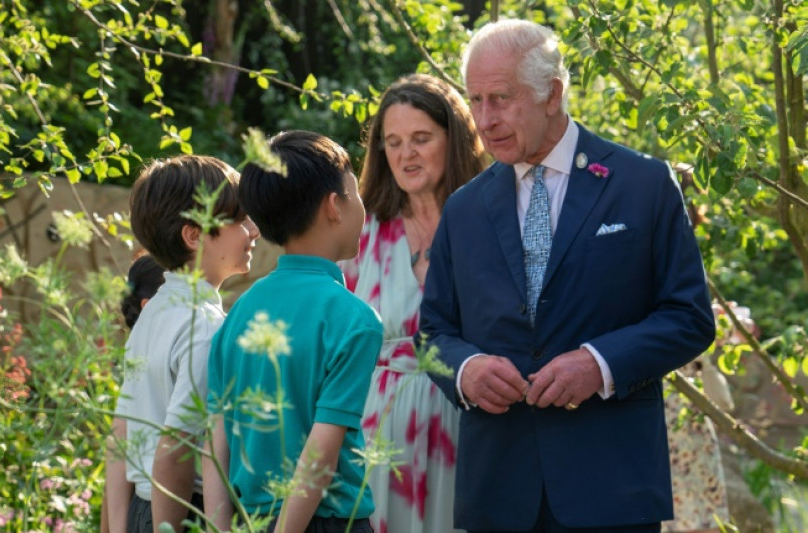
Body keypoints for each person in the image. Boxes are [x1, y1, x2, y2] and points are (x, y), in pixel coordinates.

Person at [418, 19, 716, 533]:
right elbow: (432, 333)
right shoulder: (463, 208)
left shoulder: (643, 184)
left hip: (612, 488)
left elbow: (689, 318)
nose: (485, 120)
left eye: (501, 99)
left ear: (552, 94)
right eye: (476, 100)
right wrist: (465, 371)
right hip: (497, 492)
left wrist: (600, 364)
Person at [204, 130, 382, 533]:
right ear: (333, 206)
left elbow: (215, 444)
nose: (362, 206)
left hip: (248, 520)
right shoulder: (354, 320)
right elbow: (320, 455)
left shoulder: (238, 313)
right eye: (355, 193)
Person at [339, 73, 484, 533]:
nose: (406, 155)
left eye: (422, 139)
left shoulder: (488, 223)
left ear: (454, 140)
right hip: (379, 436)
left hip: (469, 427)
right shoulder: (361, 233)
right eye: (394, 142)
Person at [109, 155, 260, 533]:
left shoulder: (153, 314)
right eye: (241, 220)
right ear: (193, 236)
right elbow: (176, 448)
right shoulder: (204, 326)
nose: (254, 230)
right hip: (181, 513)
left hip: (143, 509)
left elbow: (121, 433)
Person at [104, 253, 167, 533]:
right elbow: (119, 439)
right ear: (149, 306)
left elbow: (118, 441)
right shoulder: (149, 360)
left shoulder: (141, 357)